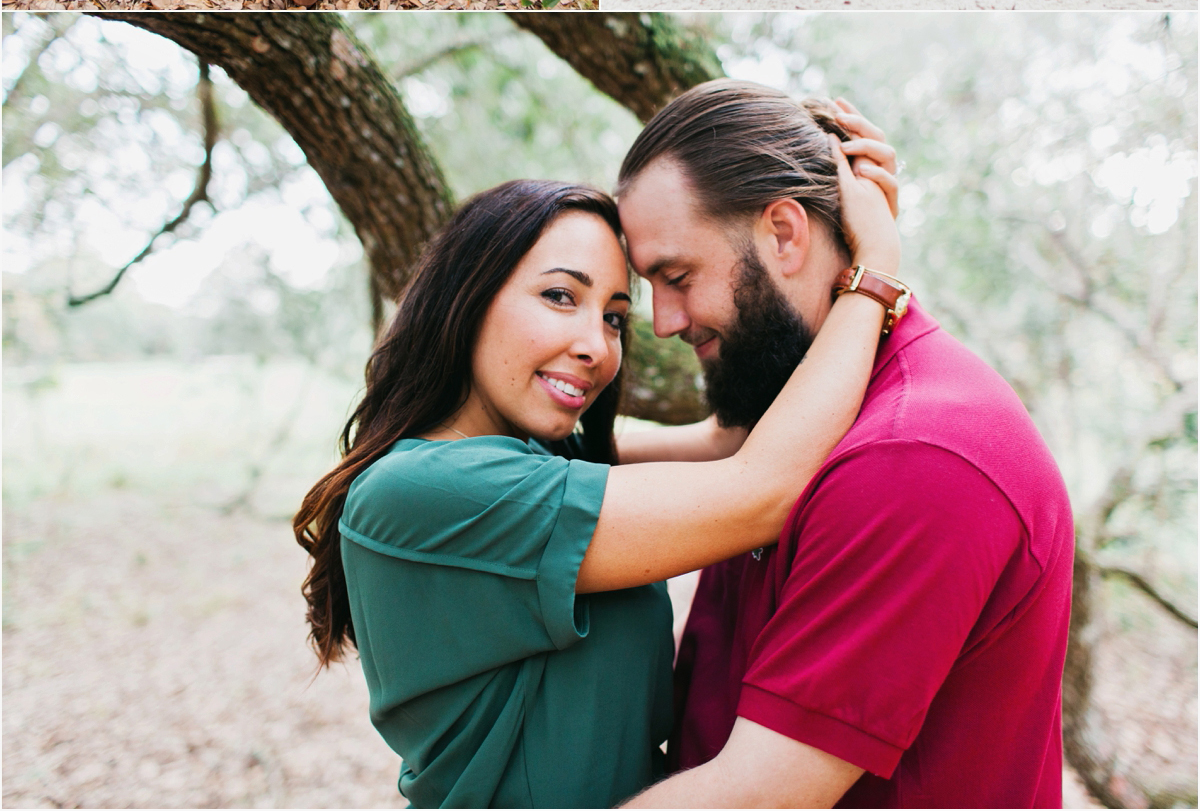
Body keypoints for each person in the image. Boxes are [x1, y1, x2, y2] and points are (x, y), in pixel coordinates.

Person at [293, 128, 904, 810]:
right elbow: (761, 489)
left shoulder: (545, 463)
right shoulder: (427, 490)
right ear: (467, 297)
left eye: (615, 318)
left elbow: (727, 442)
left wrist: (819, 241)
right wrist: (875, 271)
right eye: (560, 296)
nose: (595, 347)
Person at [616, 80, 1074, 811]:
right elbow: (714, 447)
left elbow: (754, 796)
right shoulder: (799, 405)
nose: (664, 321)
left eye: (678, 277)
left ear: (786, 233)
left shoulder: (917, 458)